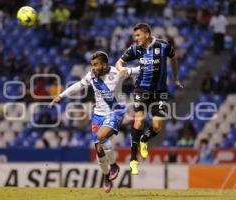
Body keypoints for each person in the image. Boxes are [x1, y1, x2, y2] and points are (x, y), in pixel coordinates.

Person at [49, 51, 139, 193]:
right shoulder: (91, 75)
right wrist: (61, 96)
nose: (93, 68)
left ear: (104, 64)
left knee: (102, 136)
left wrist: (154, 67)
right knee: (98, 150)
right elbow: (79, 85)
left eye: (96, 65)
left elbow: (136, 70)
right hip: (98, 114)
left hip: (115, 111)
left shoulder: (117, 72)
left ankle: (114, 165)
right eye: (92, 65)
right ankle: (106, 176)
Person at [115, 23, 183, 175]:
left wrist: (176, 78)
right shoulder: (135, 48)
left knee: (158, 126)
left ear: (146, 34)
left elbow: (174, 59)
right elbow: (119, 62)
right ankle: (133, 160)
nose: (136, 38)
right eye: (135, 36)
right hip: (141, 90)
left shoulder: (163, 46)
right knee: (139, 121)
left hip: (159, 91)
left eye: (138, 35)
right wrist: (122, 69)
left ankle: (144, 139)